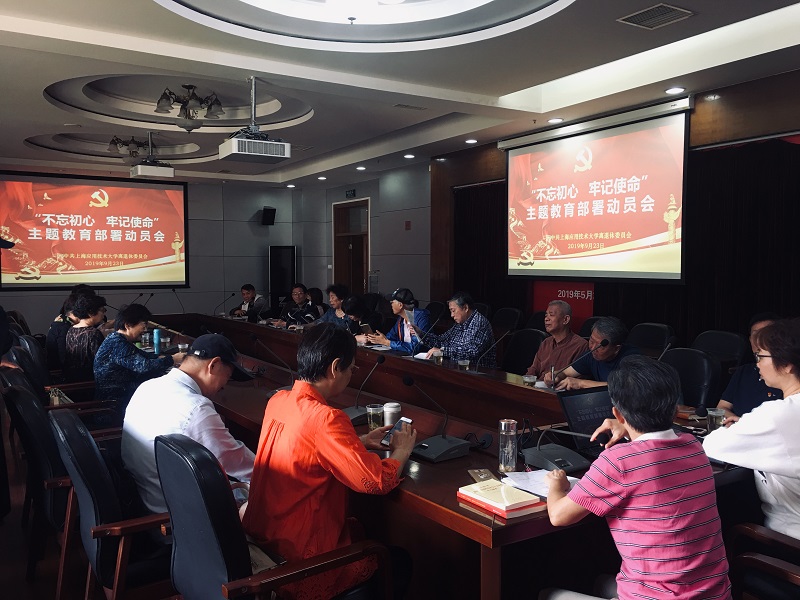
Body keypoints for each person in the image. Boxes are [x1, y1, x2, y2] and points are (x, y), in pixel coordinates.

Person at [242, 323, 417, 600]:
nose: (351, 375)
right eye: (351, 369)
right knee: (398, 560)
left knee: (361, 528)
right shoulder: (327, 418)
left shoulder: (279, 400)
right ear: (335, 367)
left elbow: (302, 447)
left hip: (267, 542)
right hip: (301, 561)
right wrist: (403, 450)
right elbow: (375, 482)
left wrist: (357, 441)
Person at [541, 356, 731, 600]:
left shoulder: (619, 461)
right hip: (714, 594)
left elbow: (558, 516)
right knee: (600, 582)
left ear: (617, 414)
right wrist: (629, 428)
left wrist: (556, 485)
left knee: (547, 594)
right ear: (675, 410)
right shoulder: (693, 445)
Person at [122, 333, 255, 515]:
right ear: (214, 365)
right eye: (228, 376)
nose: (224, 385)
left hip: (146, 497)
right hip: (180, 515)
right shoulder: (196, 408)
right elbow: (241, 465)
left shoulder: (148, 386)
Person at [704, 319, 800, 540]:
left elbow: (713, 445)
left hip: (788, 541)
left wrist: (744, 427)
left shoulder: (778, 414)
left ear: (787, 365)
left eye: (761, 357)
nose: (757, 364)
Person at [93, 303, 184, 418]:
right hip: (115, 403)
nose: (145, 330)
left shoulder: (116, 338)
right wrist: (172, 359)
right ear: (128, 325)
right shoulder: (118, 344)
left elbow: (143, 355)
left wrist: (161, 358)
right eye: (143, 326)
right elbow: (144, 367)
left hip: (121, 394)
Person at [716, 312, 782, 426]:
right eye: (756, 335)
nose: (760, 340)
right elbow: (722, 407)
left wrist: (746, 426)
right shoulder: (743, 371)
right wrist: (741, 424)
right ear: (750, 340)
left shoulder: (788, 376)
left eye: (766, 334)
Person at [549, 316, 639, 389]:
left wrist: (581, 383)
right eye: (591, 341)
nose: (593, 348)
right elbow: (566, 373)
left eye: (601, 346)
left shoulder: (632, 358)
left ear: (616, 349)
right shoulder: (592, 354)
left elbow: (624, 387)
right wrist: (555, 376)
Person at [423, 291, 496, 368]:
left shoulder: (479, 322)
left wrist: (442, 351)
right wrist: (421, 334)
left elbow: (471, 351)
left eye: (453, 310)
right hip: (458, 368)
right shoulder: (459, 324)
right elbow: (442, 340)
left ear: (465, 308)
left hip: (479, 371)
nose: (452, 315)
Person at [526, 300, 589, 378]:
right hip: (538, 384)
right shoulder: (546, 342)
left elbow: (576, 379)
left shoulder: (580, 345)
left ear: (565, 319)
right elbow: (533, 369)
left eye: (551, 315)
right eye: (546, 315)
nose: (546, 319)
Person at [367, 288, 430, 354]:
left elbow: (415, 347)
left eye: (392, 302)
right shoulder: (401, 319)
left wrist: (387, 342)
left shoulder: (421, 318)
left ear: (400, 305)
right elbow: (390, 337)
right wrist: (378, 338)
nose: (391, 305)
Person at [63, 293, 107, 382]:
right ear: (91, 313)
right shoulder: (93, 333)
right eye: (102, 310)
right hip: (89, 381)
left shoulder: (71, 330)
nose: (104, 314)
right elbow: (101, 362)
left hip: (73, 379)